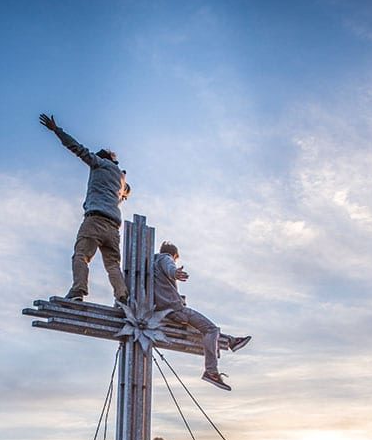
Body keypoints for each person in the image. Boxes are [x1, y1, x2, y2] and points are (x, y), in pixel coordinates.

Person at [39, 113, 130, 304]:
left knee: (81, 255)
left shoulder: (99, 164)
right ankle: (122, 296)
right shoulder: (121, 178)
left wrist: (56, 130)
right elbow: (127, 191)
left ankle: (78, 290)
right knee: (113, 264)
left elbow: (77, 148)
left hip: (95, 220)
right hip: (114, 226)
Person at [153, 241, 251, 391]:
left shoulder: (151, 263)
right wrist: (175, 272)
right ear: (174, 255)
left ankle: (231, 341)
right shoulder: (165, 258)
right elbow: (169, 266)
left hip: (164, 311)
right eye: (175, 258)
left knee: (203, 331)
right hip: (175, 308)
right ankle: (211, 372)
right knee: (211, 330)